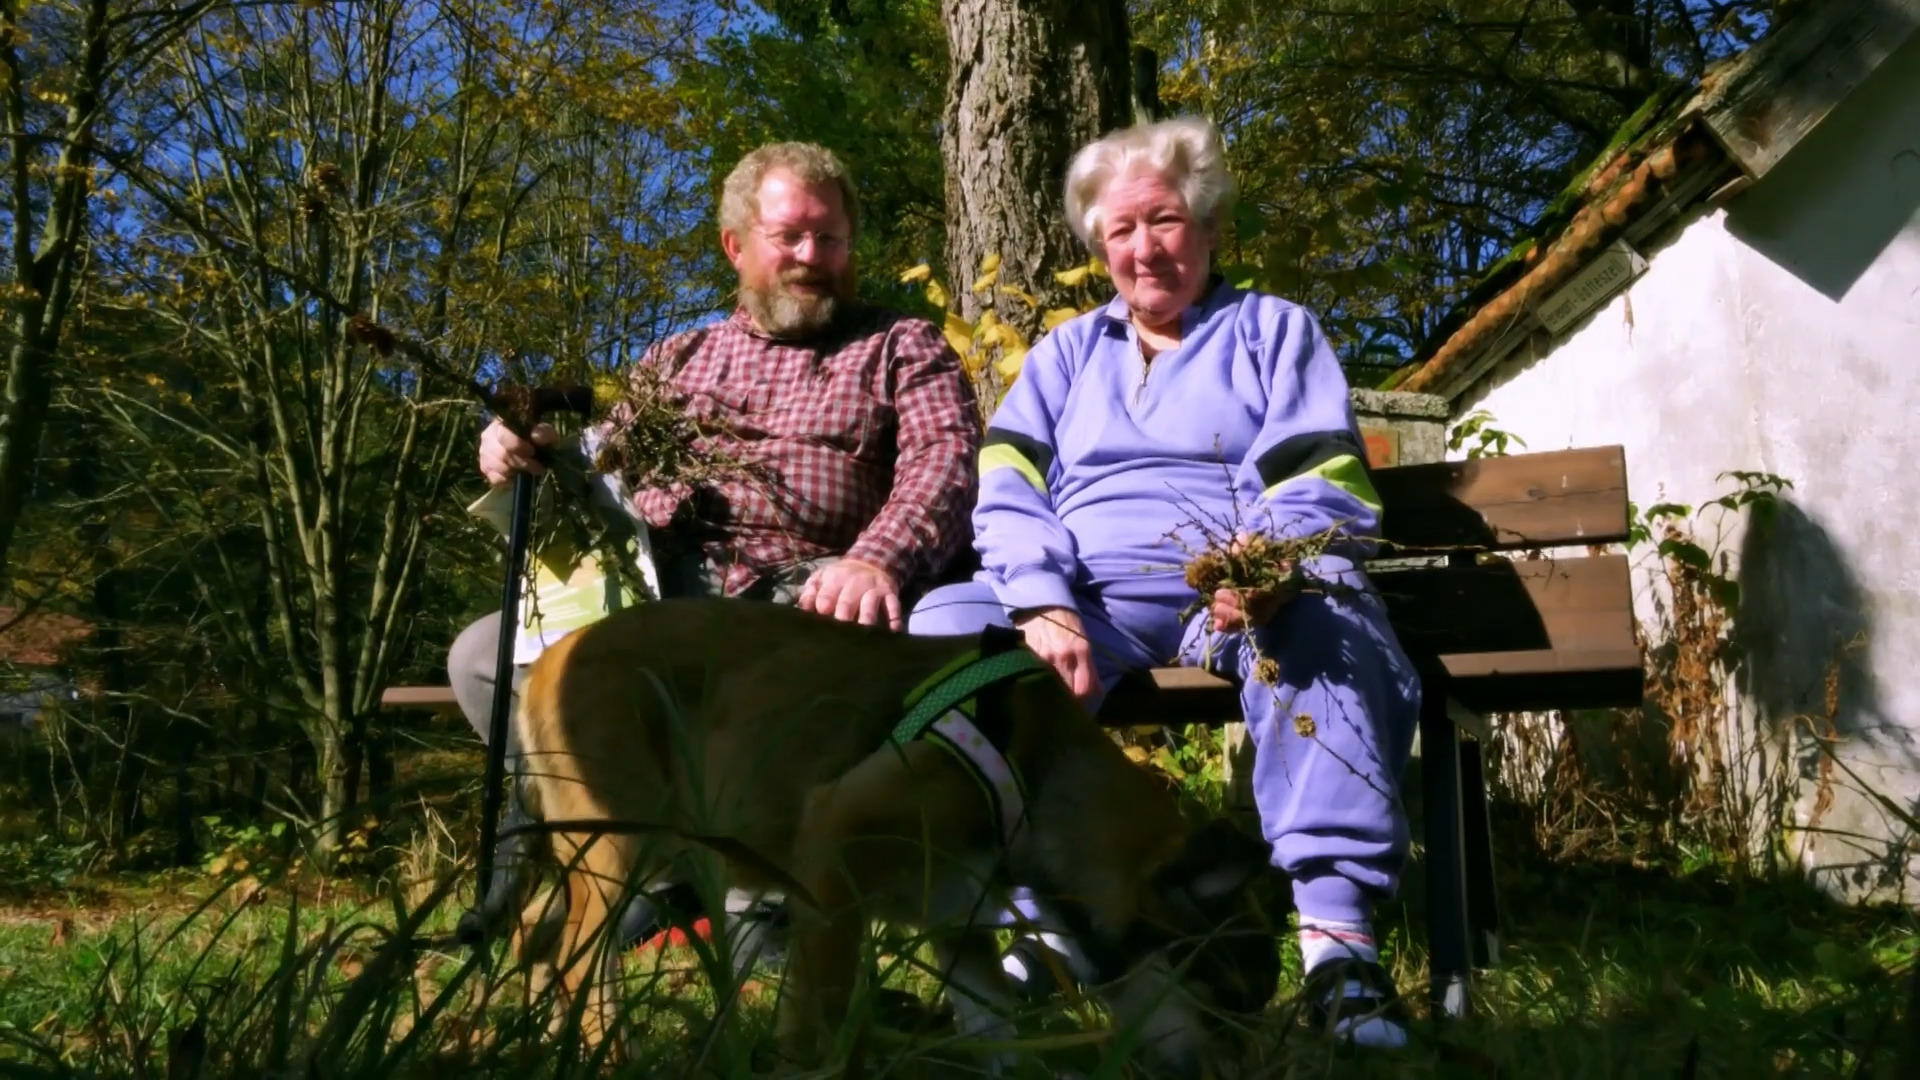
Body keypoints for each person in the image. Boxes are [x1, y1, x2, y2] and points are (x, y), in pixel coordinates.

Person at [907, 116, 1419, 1048]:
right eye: (1121, 231)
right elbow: (1009, 482)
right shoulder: (1063, 357)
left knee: (1331, 625)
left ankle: (1339, 947)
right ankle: (1030, 931)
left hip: (1228, 602)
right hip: (1082, 605)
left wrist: (1259, 569)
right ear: (1101, 247)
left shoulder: (1272, 331)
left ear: (1212, 225)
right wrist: (1039, 599)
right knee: (949, 629)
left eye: (1166, 220)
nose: (1145, 249)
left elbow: (1320, 479)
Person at [450, 141, 980, 965]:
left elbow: (943, 466)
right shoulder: (676, 363)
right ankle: (644, 863)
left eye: (831, 239)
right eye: (791, 237)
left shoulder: (900, 346)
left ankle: (757, 894)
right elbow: (594, 472)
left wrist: (876, 558)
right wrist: (520, 450)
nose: (814, 259)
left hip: (806, 603)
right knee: (482, 655)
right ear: (736, 246)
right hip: (660, 608)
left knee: (767, 659)